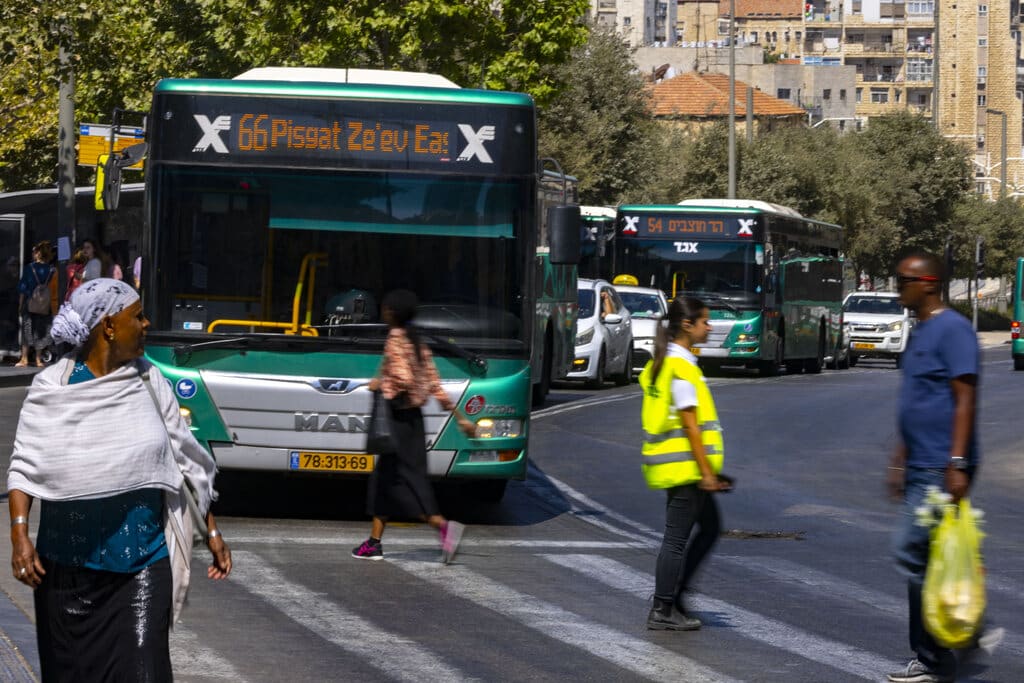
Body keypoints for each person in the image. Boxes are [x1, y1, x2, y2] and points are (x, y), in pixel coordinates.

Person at [7, 278, 233, 682]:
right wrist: (20, 535)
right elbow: (25, 464)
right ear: (108, 326)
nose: (146, 324)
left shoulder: (150, 382)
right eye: (138, 316)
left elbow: (183, 462)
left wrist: (211, 531)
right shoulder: (53, 387)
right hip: (65, 573)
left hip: (140, 566)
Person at [886, 252, 980, 683]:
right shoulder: (922, 330)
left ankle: (933, 655)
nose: (897, 286)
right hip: (922, 464)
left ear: (928, 283)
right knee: (933, 557)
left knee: (911, 549)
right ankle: (959, 631)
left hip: (942, 465)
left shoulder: (954, 329)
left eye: (904, 280)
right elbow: (917, 400)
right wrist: (899, 456)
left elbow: (964, 398)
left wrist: (957, 462)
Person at [353, 289, 476, 563]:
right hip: (414, 422)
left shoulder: (395, 339)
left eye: (385, 309)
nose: (383, 312)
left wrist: (381, 385)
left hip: (397, 420)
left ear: (393, 313)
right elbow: (434, 384)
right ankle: (373, 543)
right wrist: (460, 417)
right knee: (385, 482)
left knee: (405, 486)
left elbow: (402, 378)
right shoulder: (418, 342)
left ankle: (443, 527)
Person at [638, 296, 731, 631]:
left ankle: (675, 597)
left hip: (681, 466)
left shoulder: (667, 363)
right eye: (705, 321)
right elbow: (691, 424)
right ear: (688, 326)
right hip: (686, 469)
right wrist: (707, 473)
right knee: (676, 539)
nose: (710, 327)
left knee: (708, 529)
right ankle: (663, 607)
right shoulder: (681, 368)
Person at [15, 240, 57, 367]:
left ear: (38, 253)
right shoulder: (52, 270)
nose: (33, 254)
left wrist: (20, 305)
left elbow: (22, 287)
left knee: (27, 329)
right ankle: (39, 359)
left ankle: (24, 358)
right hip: (45, 305)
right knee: (41, 331)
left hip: (30, 303)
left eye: (35, 252)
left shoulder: (30, 268)